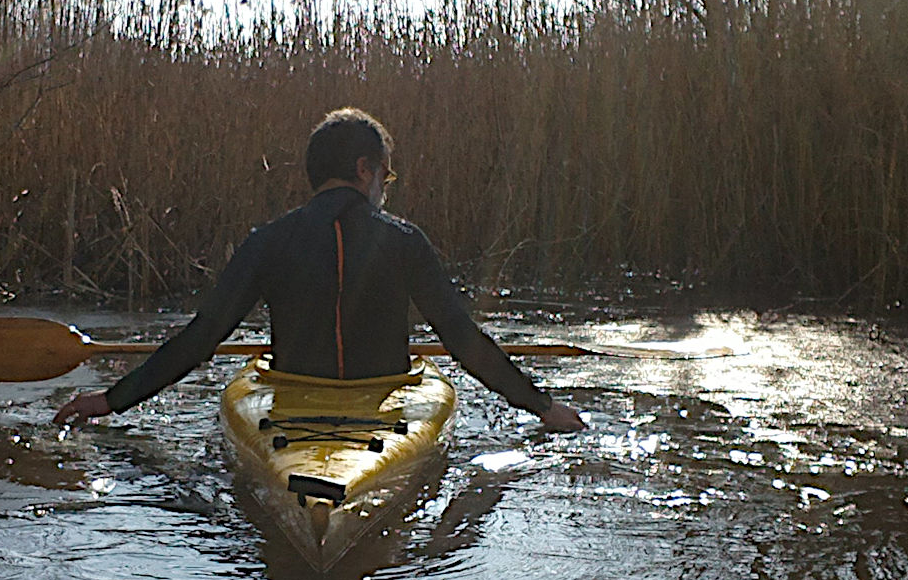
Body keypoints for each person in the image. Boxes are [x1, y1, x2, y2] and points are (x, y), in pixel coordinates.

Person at [51, 108, 587, 433]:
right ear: (363, 170)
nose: (385, 185)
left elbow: (201, 339)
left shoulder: (267, 242)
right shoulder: (403, 242)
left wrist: (110, 401)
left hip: (291, 410)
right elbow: (464, 341)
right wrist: (540, 405)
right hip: (383, 403)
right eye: (385, 173)